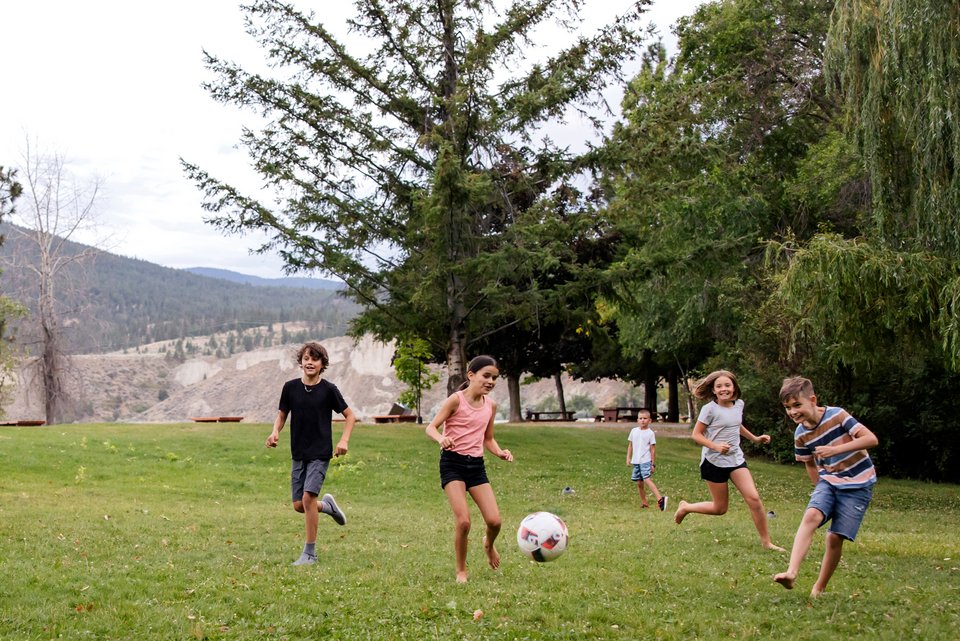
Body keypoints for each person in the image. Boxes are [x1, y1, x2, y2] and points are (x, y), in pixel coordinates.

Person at [773, 376, 879, 597]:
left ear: (813, 399)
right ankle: (791, 572)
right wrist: (819, 487)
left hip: (858, 485)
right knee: (811, 515)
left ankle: (818, 588)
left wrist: (835, 450)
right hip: (829, 482)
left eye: (797, 405)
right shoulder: (801, 434)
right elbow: (809, 463)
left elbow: (871, 439)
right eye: (787, 408)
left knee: (834, 537)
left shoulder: (837, 415)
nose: (792, 412)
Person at [265, 341, 356, 566]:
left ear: (322, 364)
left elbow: (350, 416)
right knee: (299, 505)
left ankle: (310, 554)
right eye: (306, 359)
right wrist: (275, 432)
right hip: (299, 452)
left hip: (320, 453)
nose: (310, 362)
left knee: (308, 498)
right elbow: (282, 415)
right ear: (301, 362)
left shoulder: (329, 390)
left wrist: (344, 440)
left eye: (315, 359)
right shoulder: (290, 388)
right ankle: (328, 507)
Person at [425, 355, 513, 583]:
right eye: (486, 376)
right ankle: (461, 571)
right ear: (471, 375)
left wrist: (500, 452)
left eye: (494, 377)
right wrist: (441, 439)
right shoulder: (456, 400)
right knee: (464, 521)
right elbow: (431, 428)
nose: (491, 381)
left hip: (476, 466)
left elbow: (489, 439)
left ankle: (488, 544)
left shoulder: (491, 406)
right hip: (452, 464)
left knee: (495, 522)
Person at [674, 369, 784, 551]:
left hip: (735, 460)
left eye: (727, 385)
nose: (724, 389)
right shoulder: (709, 409)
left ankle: (767, 542)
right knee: (720, 508)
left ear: (734, 388)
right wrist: (715, 446)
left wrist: (755, 438)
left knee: (754, 499)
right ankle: (686, 507)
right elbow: (696, 435)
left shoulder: (738, 404)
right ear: (714, 390)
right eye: (719, 386)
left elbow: (736, 424)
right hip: (713, 462)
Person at [626, 409, 668, 511]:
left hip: (645, 461)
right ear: (637, 420)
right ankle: (644, 502)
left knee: (646, 479)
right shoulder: (634, 431)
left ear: (650, 420)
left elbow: (653, 449)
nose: (643, 420)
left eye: (645, 418)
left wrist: (652, 464)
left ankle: (660, 499)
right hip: (636, 461)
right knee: (639, 483)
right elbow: (630, 445)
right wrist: (628, 457)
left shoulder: (650, 433)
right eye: (640, 418)